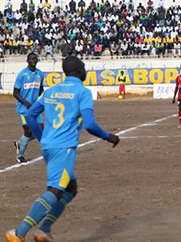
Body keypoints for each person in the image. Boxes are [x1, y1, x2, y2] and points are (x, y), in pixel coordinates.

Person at [5, 56, 120, 242]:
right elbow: (89, 124)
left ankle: (44, 229)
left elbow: (32, 115)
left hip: (49, 147)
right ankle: (19, 233)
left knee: (70, 188)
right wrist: (108, 136)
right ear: (77, 71)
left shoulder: (51, 91)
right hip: (63, 148)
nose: (85, 70)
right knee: (55, 190)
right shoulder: (82, 92)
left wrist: (42, 138)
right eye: (83, 67)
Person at [12, 52, 45, 164]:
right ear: (27, 60)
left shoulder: (40, 74)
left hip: (34, 107)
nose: (33, 60)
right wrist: (26, 103)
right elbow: (15, 93)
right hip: (23, 108)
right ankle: (20, 156)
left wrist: (37, 101)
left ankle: (20, 143)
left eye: (35, 58)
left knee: (40, 129)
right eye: (31, 58)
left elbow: (41, 89)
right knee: (28, 130)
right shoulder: (22, 74)